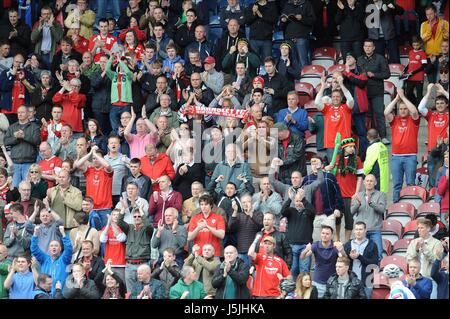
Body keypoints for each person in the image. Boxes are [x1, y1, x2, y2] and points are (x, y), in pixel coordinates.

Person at [384, 88, 420, 203]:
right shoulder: (395, 120)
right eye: (401, 109)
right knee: (397, 185)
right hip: (396, 157)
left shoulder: (413, 120)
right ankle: (395, 207)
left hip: (410, 156)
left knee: (410, 183)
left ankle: (411, 206)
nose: (403, 111)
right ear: (398, 110)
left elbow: (414, 111)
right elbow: (386, 112)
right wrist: (396, 99)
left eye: (405, 109)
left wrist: (403, 98)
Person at [357, 39, 390, 145]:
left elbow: (387, 74)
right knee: (368, 115)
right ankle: (371, 137)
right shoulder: (359, 59)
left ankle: (383, 136)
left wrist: (374, 75)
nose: (368, 48)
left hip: (377, 91)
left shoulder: (380, 58)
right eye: (366, 46)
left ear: (374, 47)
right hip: (364, 92)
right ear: (363, 47)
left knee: (379, 113)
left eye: (370, 46)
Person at [315, 75, 354, 160]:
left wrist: (342, 85)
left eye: (337, 96)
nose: (335, 98)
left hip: (345, 144)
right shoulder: (327, 109)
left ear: (341, 98)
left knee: (345, 169)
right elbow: (317, 102)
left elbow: (350, 100)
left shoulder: (346, 108)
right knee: (333, 169)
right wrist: (322, 86)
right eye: (333, 97)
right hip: (331, 144)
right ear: (331, 98)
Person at [74, 146, 113, 227]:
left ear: (103, 159)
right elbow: (77, 164)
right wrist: (91, 153)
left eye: (98, 158)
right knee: (92, 233)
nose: (95, 160)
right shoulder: (89, 170)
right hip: (91, 208)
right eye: (94, 158)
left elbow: (108, 166)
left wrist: (95, 154)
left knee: (104, 234)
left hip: (104, 209)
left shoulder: (106, 171)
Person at [300, 225, 344, 298]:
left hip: (332, 283)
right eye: (323, 233)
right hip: (317, 282)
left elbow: (343, 259)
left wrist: (341, 250)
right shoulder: (315, 245)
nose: (324, 235)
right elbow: (302, 257)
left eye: (327, 234)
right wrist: (306, 249)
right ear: (320, 234)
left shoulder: (335, 246)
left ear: (331, 235)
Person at [117, 205, 154, 293]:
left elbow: (149, 225)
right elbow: (119, 222)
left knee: (144, 290)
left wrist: (141, 211)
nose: (137, 218)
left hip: (143, 264)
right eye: (135, 216)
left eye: (139, 216)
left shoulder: (147, 229)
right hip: (130, 264)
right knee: (130, 292)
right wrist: (123, 209)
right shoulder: (129, 228)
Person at [418, 84, 449, 187]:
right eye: (437, 103)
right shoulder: (431, 115)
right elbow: (420, 107)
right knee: (432, 179)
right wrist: (428, 92)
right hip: (432, 151)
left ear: (446, 105)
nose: (439, 105)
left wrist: (444, 92)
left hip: (445, 152)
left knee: (442, 181)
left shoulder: (448, 116)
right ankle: (432, 201)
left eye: (442, 103)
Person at [350, 175, 386, 263]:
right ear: (364, 182)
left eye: (371, 181)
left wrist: (371, 203)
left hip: (375, 229)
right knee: (360, 254)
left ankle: (375, 275)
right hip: (361, 231)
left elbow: (382, 209)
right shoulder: (358, 195)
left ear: (375, 183)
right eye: (367, 181)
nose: (369, 183)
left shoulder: (381, 195)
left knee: (378, 254)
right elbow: (351, 211)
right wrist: (358, 203)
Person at [281, 189, 315, 279]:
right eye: (297, 201)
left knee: (304, 272)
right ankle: (293, 292)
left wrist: (303, 199)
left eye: (300, 201)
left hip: (305, 247)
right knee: (292, 271)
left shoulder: (307, 212)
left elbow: (312, 211)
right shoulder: (291, 211)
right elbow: (283, 211)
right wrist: (289, 199)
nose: (299, 203)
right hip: (292, 247)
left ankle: (303, 292)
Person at [4, 105, 41, 187]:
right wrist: (15, 138)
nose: (19, 114)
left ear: (28, 113)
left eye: (22, 112)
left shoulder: (34, 127)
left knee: (27, 188)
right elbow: (6, 141)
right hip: (15, 164)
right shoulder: (12, 127)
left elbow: (37, 141)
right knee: (15, 189)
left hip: (29, 164)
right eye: (18, 112)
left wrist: (24, 136)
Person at [31, 225, 72, 297]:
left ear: (60, 249)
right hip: (45, 295)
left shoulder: (64, 260)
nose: (53, 247)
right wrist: (35, 234)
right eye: (51, 246)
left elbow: (68, 249)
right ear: (49, 249)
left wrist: (63, 234)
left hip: (60, 295)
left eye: (56, 246)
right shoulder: (44, 259)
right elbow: (34, 249)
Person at [280, 0, 316, 69]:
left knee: (303, 61)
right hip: (289, 37)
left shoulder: (306, 3)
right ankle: (292, 78)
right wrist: (283, 20)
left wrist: (302, 18)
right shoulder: (287, 4)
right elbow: (281, 21)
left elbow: (313, 20)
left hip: (302, 37)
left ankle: (304, 78)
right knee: (290, 60)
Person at [187, 194, 225, 258]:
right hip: (199, 253)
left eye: (206, 204)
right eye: (201, 204)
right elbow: (189, 237)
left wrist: (207, 226)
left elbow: (222, 235)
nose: (203, 207)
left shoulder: (219, 217)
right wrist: (198, 228)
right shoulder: (194, 218)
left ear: (211, 205)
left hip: (214, 253)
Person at [420, 4, 449, 82]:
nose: (429, 16)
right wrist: (429, 29)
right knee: (431, 82)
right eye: (427, 14)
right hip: (429, 56)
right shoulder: (424, 25)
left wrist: (443, 30)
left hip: (441, 56)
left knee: (441, 81)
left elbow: (447, 37)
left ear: (435, 13)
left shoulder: (444, 23)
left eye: (431, 14)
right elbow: (423, 39)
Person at [99, 210, 127, 283]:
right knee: (108, 285)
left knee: (121, 286)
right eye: (114, 214)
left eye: (118, 215)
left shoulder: (124, 227)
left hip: (121, 264)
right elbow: (102, 239)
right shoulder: (106, 228)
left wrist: (112, 224)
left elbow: (121, 238)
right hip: (109, 263)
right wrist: (108, 224)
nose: (116, 216)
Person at [363, 129, 390, 193]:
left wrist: (364, 174)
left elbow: (368, 164)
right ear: (378, 135)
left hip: (376, 178)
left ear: (368, 137)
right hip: (384, 178)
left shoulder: (372, 148)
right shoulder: (383, 146)